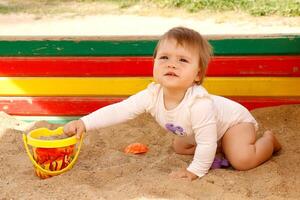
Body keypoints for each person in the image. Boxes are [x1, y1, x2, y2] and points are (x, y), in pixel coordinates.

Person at [64, 26, 281, 181]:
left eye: (183, 60)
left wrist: (194, 171)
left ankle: (269, 142)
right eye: (164, 58)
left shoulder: (199, 103)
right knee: (179, 145)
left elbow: (205, 143)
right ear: (154, 64)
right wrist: (85, 123)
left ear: (198, 75)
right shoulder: (152, 94)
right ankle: (224, 145)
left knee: (241, 160)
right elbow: (122, 110)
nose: (172, 64)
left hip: (235, 123)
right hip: (208, 131)